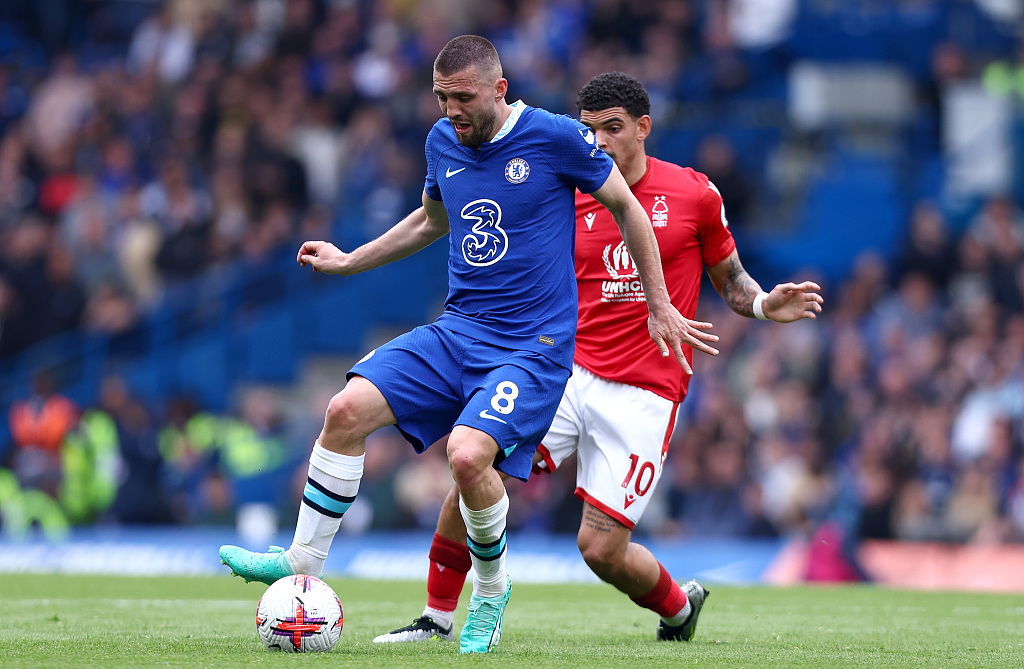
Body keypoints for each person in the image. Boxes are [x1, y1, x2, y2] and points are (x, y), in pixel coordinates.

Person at [218, 37, 718, 654]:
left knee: (467, 456)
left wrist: (660, 303)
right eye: (441, 97)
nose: (451, 110)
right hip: (460, 331)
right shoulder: (440, 142)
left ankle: (490, 592)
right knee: (344, 412)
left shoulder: (558, 137)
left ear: (499, 90)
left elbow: (627, 207)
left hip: (532, 349)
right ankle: (301, 562)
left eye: (463, 97)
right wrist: (351, 260)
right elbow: (432, 220)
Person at [371, 71, 823, 646]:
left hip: (645, 391)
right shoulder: (567, 186)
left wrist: (761, 304)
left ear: (644, 127)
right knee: (471, 468)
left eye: (612, 129)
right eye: (589, 129)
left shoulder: (695, 194)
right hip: (562, 371)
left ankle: (679, 607)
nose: (599, 141)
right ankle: (434, 619)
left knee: (600, 549)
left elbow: (730, 281)